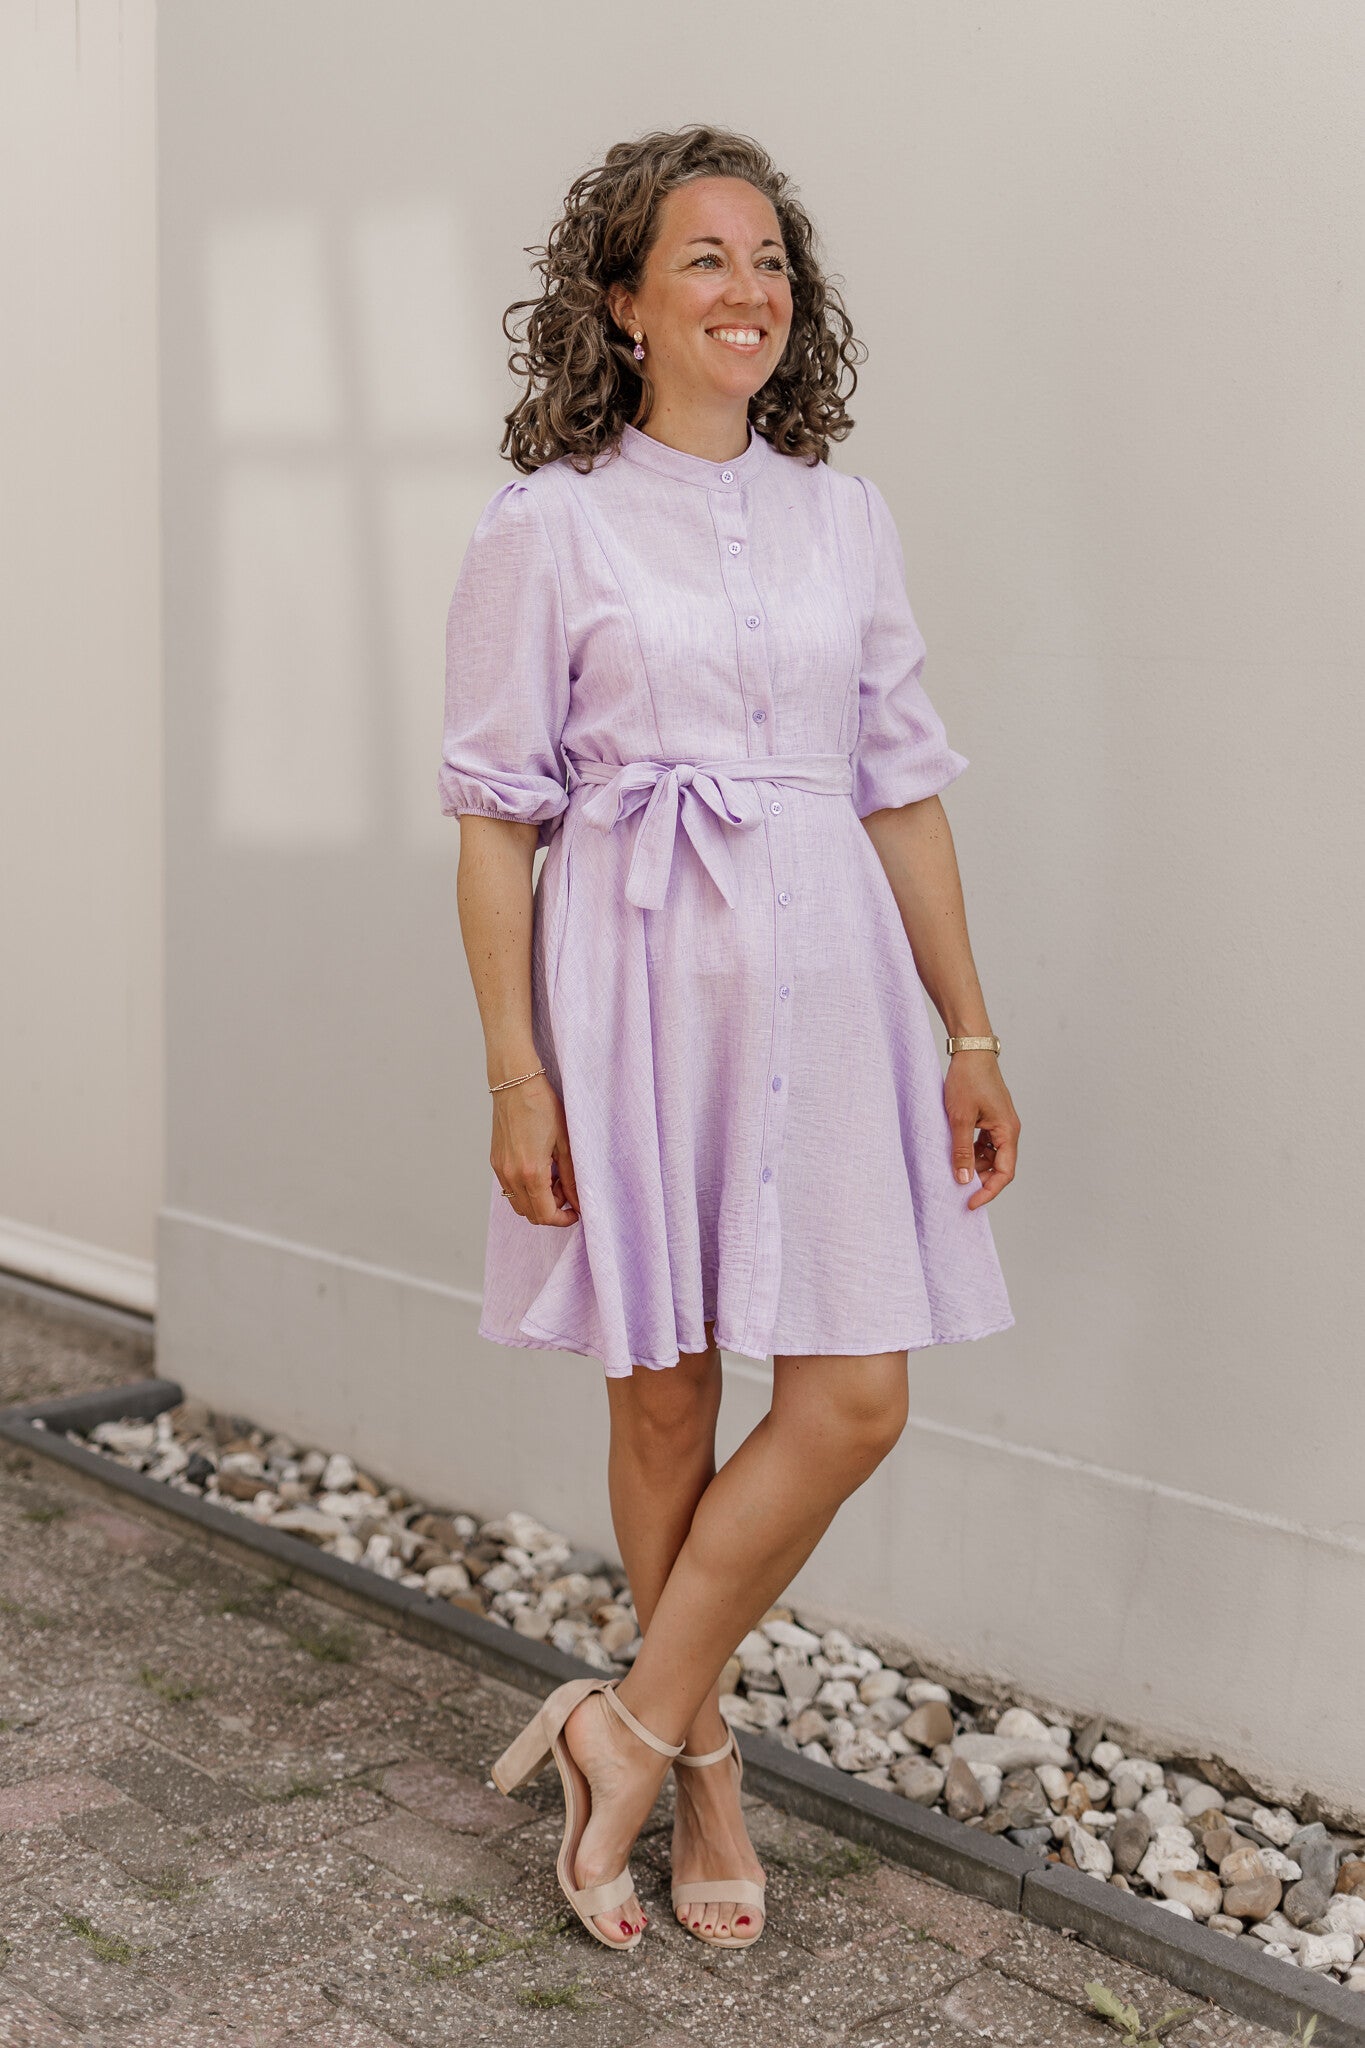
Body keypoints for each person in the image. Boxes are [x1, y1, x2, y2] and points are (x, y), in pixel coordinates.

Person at [439, 124, 1019, 1955]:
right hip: (631, 989)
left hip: (832, 986)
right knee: (666, 1387)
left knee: (853, 1394)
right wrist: (516, 1073)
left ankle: (620, 1721)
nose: (747, 290)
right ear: (621, 302)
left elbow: (900, 788)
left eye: (768, 260)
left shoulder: (846, 517)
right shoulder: (547, 525)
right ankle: (697, 1768)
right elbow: (493, 821)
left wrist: (969, 1030)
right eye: (704, 258)